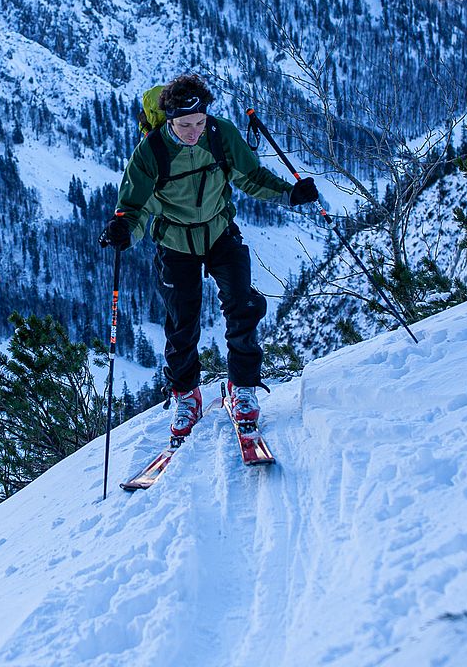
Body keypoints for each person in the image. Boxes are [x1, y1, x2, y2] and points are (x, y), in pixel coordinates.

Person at [100, 75, 318, 439]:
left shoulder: (220, 134)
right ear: (169, 120)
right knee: (181, 323)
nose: (193, 132)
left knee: (243, 306)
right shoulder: (150, 152)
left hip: (220, 232)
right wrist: (123, 231)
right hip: (175, 243)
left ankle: (243, 388)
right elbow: (133, 210)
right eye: (185, 125)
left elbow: (252, 177)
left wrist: (291, 194)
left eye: (199, 122)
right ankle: (187, 395)